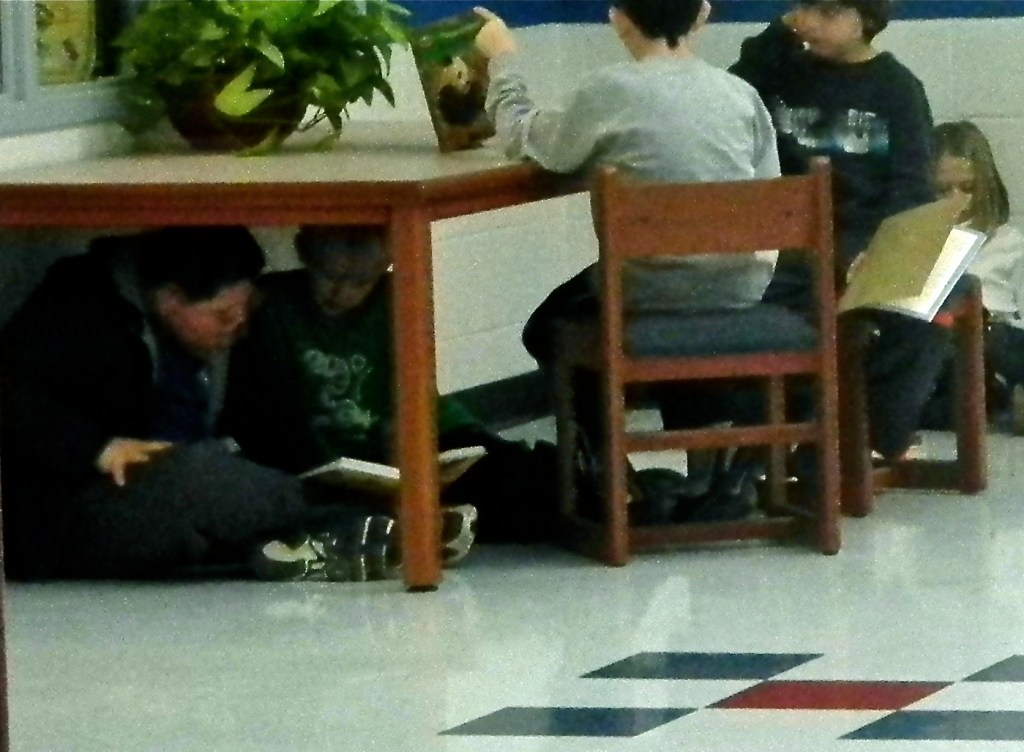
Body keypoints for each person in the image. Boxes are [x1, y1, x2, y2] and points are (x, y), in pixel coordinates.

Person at [473, 0, 783, 520]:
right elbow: (769, 198)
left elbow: (523, 139)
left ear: (618, 18)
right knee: (689, 301)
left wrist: (503, 61)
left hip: (644, 291)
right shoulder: (741, 95)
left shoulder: (607, 92)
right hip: (739, 290)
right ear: (702, 14)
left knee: (549, 327)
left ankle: (610, 480)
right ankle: (721, 476)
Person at [0, 227, 396, 582]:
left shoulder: (225, 340)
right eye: (222, 315)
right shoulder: (79, 309)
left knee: (233, 481)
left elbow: (265, 425)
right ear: (170, 301)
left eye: (244, 312)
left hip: (180, 486)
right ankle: (378, 527)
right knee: (203, 477)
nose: (236, 328)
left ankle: (317, 541)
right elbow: (12, 394)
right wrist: (95, 449)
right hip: (77, 509)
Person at [221, 225, 559, 549]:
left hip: (405, 447)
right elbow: (267, 420)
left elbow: (409, 408)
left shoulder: (396, 299)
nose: (341, 294)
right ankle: (408, 526)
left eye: (359, 282)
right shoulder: (273, 306)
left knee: (525, 480)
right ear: (304, 252)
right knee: (294, 506)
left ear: (385, 265)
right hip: (321, 463)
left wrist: (408, 464)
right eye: (329, 277)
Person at [729, 0, 953, 460]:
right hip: (788, 247)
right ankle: (783, 437)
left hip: (867, 240)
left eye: (828, 13)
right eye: (803, 8)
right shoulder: (780, 70)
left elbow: (911, 184)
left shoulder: (897, 88)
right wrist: (776, 36)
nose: (810, 23)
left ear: (865, 21)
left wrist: (874, 248)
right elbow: (732, 91)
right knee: (744, 305)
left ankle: (873, 434)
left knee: (927, 308)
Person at [925, 121, 1024, 429]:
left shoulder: (1009, 242)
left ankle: (1001, 397)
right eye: (943, 190)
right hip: (947, 343)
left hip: (998, 337)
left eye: (967, 188)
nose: (956, 199)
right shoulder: (914, 243)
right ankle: (1000, 403)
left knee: (1001, 340)